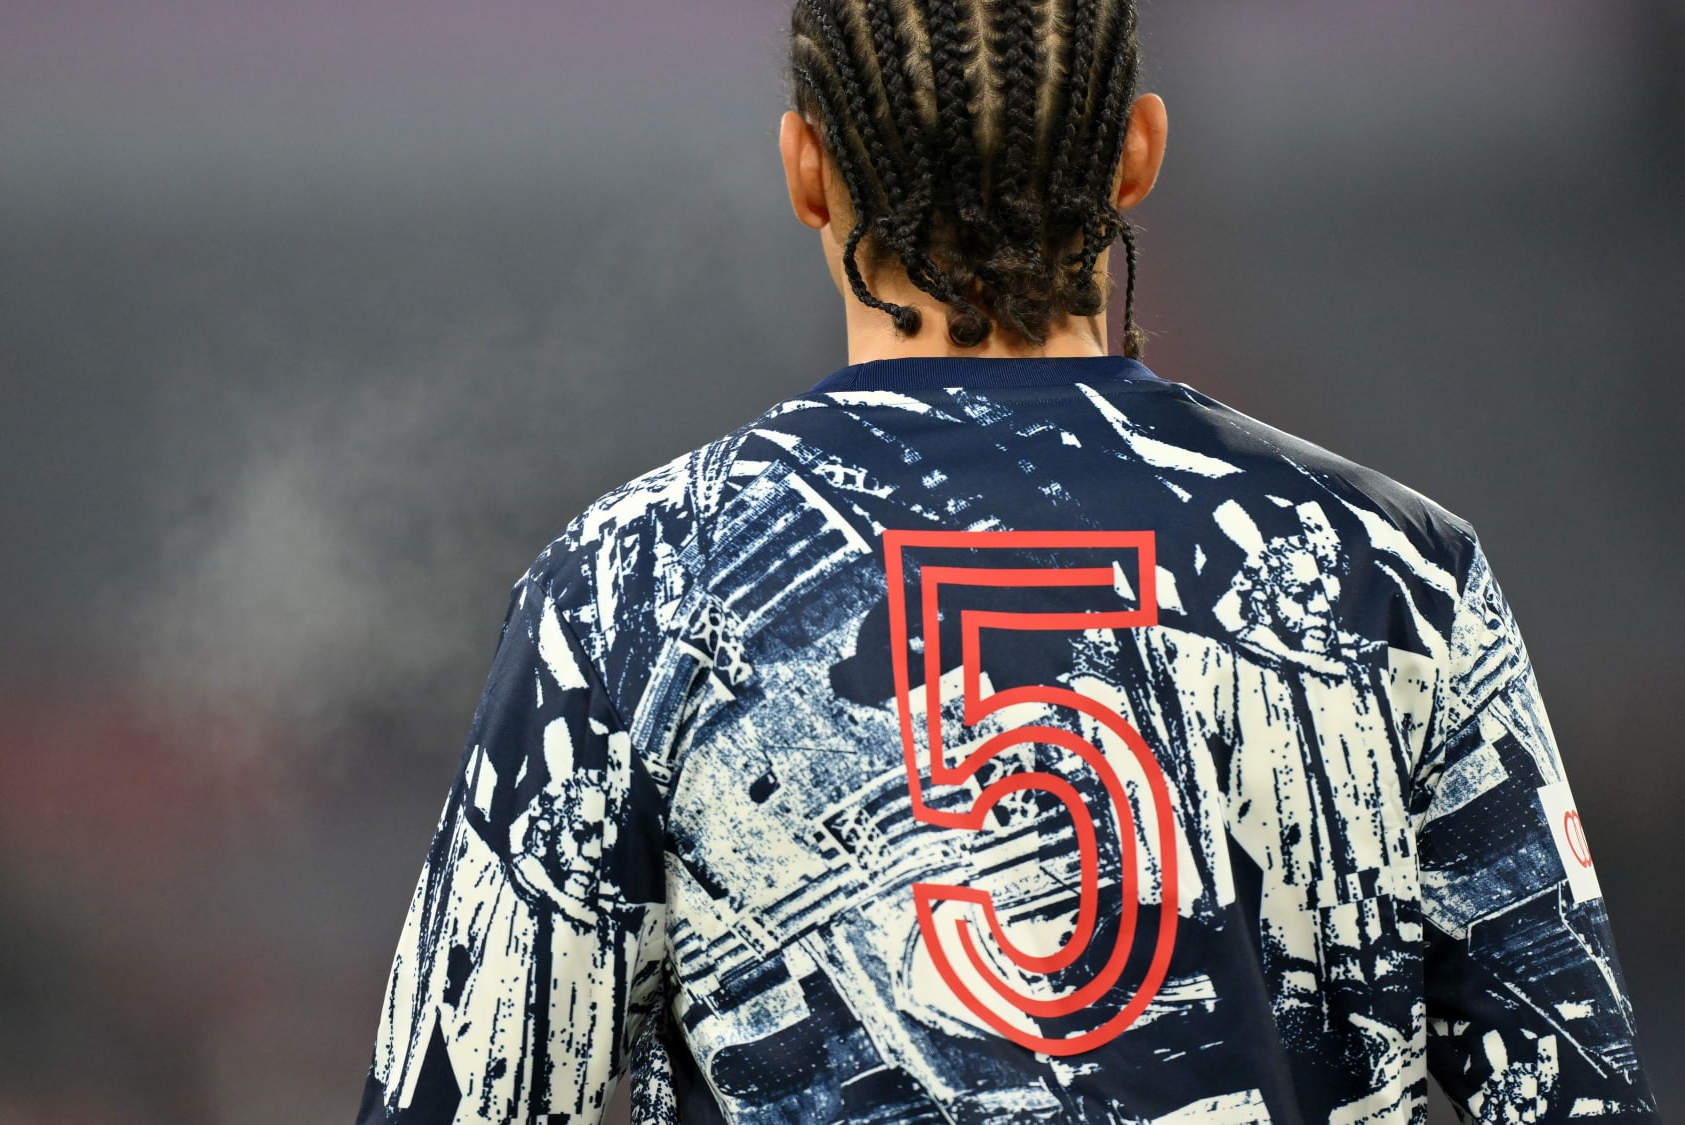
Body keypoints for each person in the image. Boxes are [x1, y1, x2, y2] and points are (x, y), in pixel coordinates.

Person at [357, 1, 1661, 1121]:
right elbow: (1570, 1087)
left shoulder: (631, 582)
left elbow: (472, 1086)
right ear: (1136, 154)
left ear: (806, 168)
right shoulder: (1393, 571)